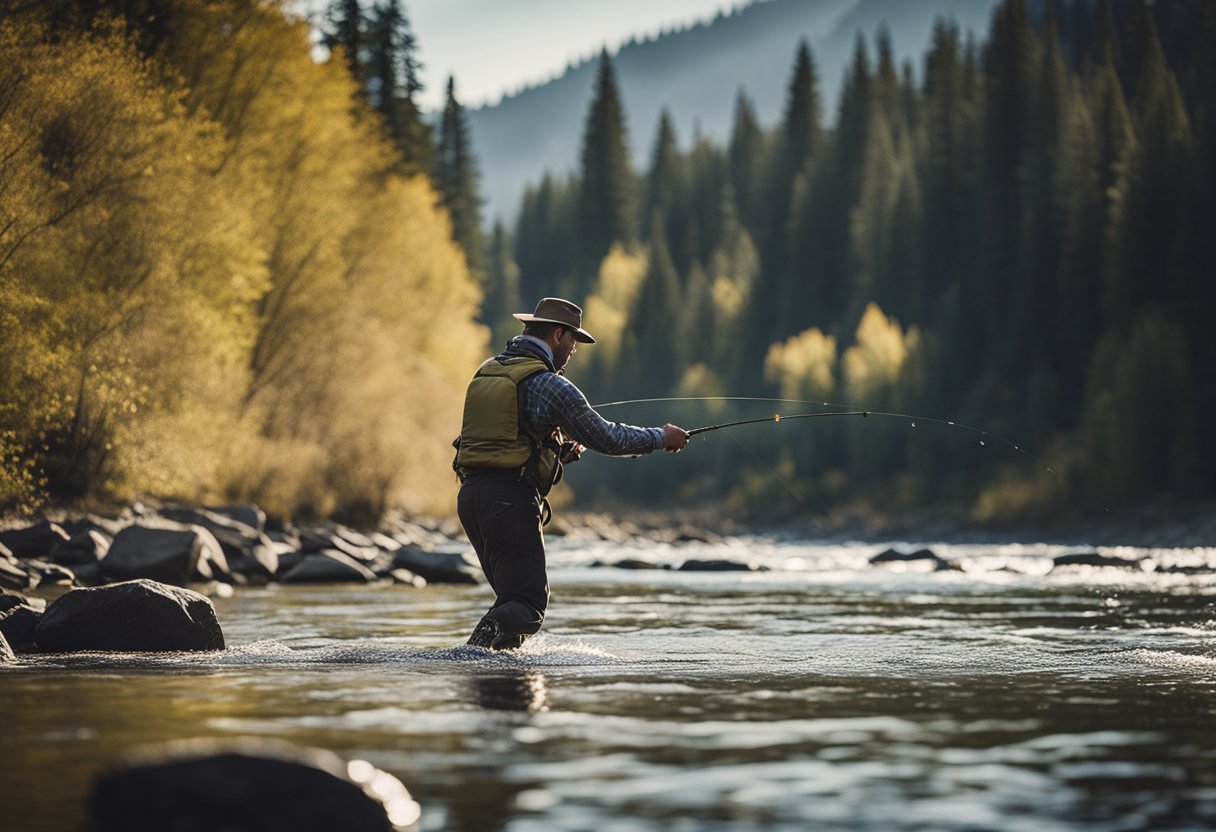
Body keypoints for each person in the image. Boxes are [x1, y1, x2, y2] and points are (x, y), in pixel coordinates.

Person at [453, 297, 690, 650]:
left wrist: (556, 451)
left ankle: (500, 689)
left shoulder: (488, 371)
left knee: (511, 603)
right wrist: (661, 437)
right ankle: (468, 656)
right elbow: (608, 438)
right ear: (558, 335)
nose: (572, 353)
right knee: (528, 605)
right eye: (573, 345)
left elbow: (505, 440)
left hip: (472, 498)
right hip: (510, 501)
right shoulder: (550, 384)